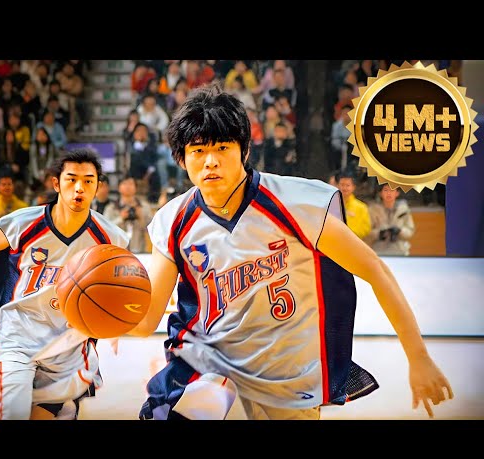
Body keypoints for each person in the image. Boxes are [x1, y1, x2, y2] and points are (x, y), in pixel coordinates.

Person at [128, 83, 453, 420]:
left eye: (222, 147)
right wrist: (98, 317)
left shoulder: (294, 203)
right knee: (193, 403)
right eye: (198, 151)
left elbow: (375, 269)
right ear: (181, 159)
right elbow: (146, 320)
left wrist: (418, 357)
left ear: (244, 151)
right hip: (209, 364)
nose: (210, 161)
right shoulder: (172, 221)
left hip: (287, 374)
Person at [0, 148, 130, 420]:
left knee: (56, 414)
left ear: (98, 186)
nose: (79, 188)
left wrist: (115, 322)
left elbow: (119, 285)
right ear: (56, 183)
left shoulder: (110, 237)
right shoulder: (24, 222)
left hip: (67, 344)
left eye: (88, 181)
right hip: (17, 335)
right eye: (71, 179)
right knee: (15, 414)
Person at [365, 184, 416, 256]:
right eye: (385, 190)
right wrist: (379, 233)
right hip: (378, 251)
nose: (389, 193)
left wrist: (399, 231)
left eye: (392, 190)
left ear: (397, 193)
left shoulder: (404, 209)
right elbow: (366, 232)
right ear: (380, 193)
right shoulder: (372, 210)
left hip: (400, 251)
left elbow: (410, 231)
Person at [337, 170, 371, 240]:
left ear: (353, 187)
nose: (344, 188)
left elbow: (366, 229)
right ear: (338, 186)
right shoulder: (330, 204)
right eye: (342, 185)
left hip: (353, 242)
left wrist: (350, 233)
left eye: (347, 185)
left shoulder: (361, 207)